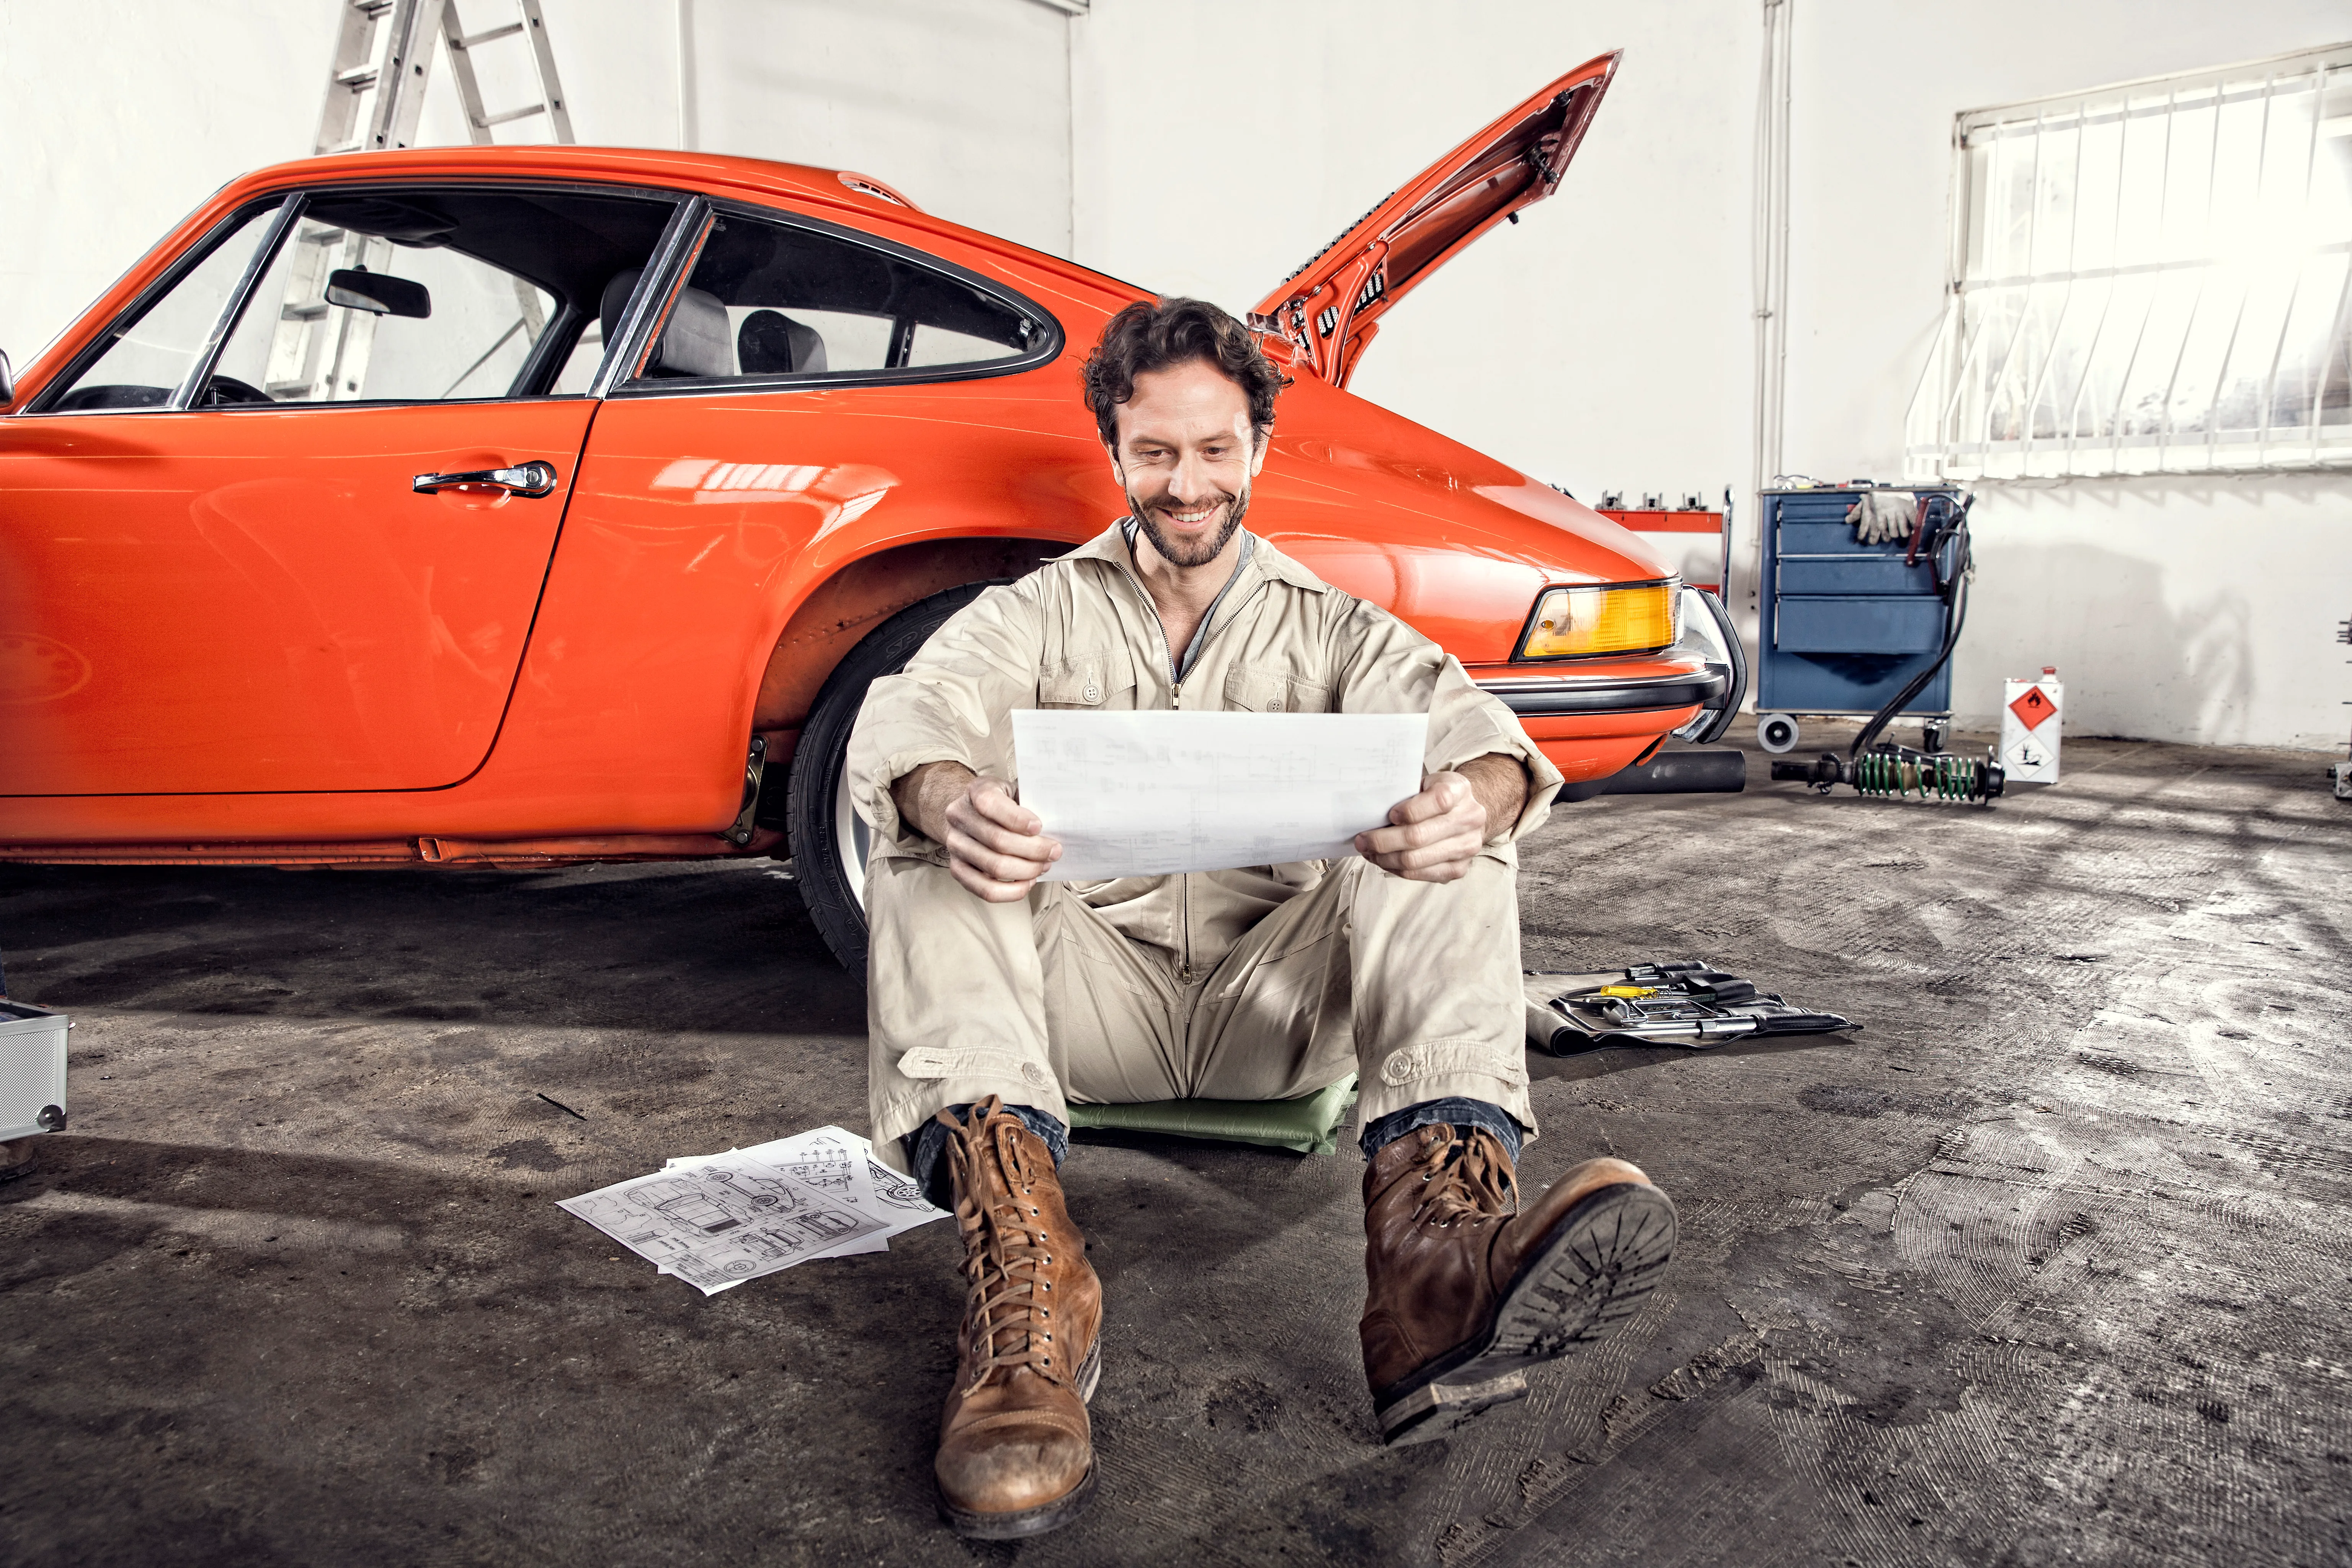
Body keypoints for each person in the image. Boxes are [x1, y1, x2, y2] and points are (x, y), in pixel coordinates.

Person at [848, 297, 1677, 1540]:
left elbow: (1483, 735)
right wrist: (947, 791)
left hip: (1280, 1006)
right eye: (1158, 453)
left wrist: (1476, 796)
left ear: (1261, 448)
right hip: (1082, 1011)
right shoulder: (1038, 610)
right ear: (1115, 451)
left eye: (1217, 450)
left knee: (1448, 837)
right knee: (933, 851)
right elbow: (910, 706)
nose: (1189, 486)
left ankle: (1435, 1269)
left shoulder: (1334, 625)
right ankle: (1026, 1297)